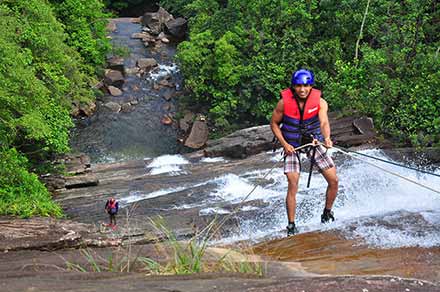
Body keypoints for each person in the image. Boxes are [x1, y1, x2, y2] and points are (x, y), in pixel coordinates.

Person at [270, 69, 339, 236]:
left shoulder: (320, 102)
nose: (302, 89)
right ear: (293, 87)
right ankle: (291, 224)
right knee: (293, 183)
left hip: (312, 143)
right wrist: (285, 144)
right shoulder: (283, 103)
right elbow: (273, 124)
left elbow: (323, 122)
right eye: (299, 86)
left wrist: (327, 138)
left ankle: (327, 213)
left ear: (311, 86)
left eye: (306, 86)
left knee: (334, 180)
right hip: (292, 146)